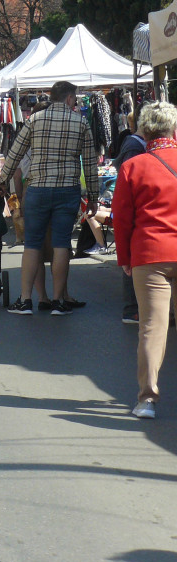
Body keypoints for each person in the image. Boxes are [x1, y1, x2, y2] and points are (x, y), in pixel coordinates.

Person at [0, 81, 98, 315]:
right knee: (62, 242)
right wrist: (92, 196)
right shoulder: (81, 123)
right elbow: (90, 164)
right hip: (67, 189)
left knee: (32, 244)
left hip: (38, 189)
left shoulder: (34, 120)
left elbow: (15, 153)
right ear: (70, 98)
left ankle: (25, 300)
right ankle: (58, 302)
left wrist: (2, 182)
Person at [111, 101, 177, 419]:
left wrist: (125, 258)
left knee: (151, 328)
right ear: (173, 129)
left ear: (145, 131)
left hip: (149, 255)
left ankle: (147, 399)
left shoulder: (133, 167)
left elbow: (121, 219)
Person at [113, 108, 147, 324]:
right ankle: (131, 308)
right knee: (131, 259)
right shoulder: (134, 145)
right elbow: (132, 177)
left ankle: (134, 307)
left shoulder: (135, 144)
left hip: (133, 207)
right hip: (133, 207)